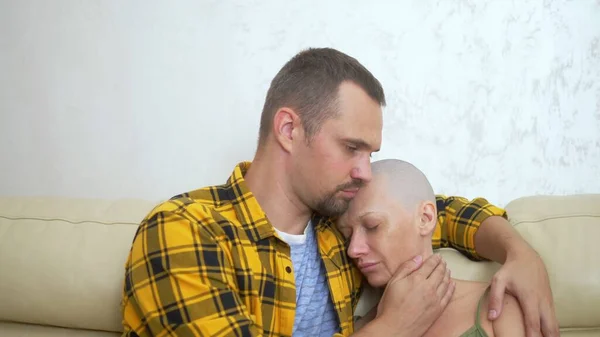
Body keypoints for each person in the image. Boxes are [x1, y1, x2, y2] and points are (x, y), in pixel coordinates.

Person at [121, 47, 558, 337]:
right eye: (352, 147)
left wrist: (522, 255)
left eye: (371, 153)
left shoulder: (339, 232)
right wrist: (391, 326)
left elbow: (440, 213)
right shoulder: (185, 230)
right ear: (290, 129)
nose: (364, 171)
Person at [339, 159, 530, 336]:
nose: (353, 250)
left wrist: (521, 253)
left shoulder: (498, 307)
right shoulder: (359, 329)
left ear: (425, 218)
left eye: (372, 226)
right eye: (347, 236)